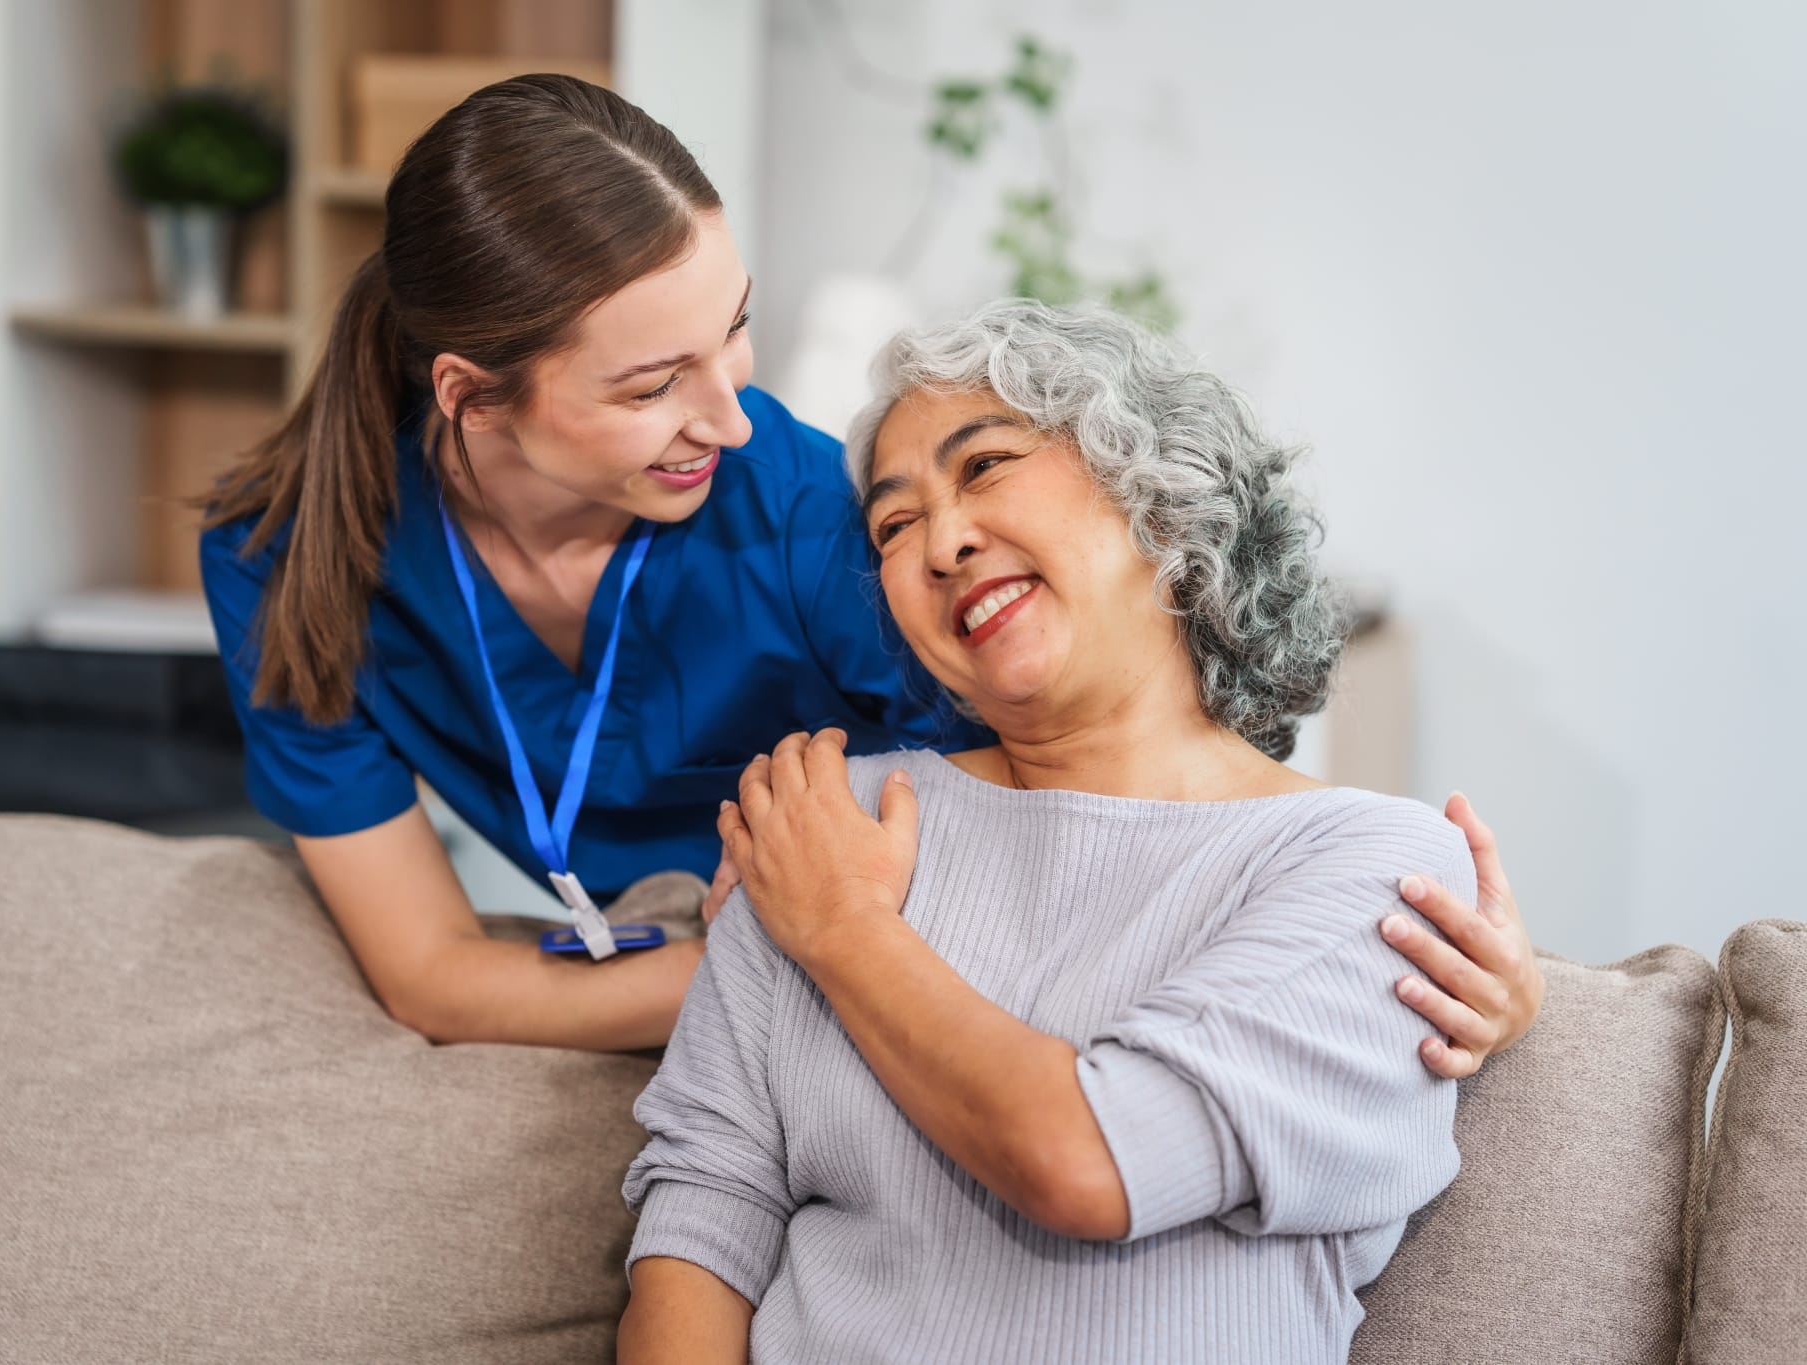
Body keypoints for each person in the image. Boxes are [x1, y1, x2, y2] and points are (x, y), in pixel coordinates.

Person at [200, 75, 1541, 1067]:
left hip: (852, 991)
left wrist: (1380, 950)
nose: (728, 417)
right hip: (766, 980)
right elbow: (433, 980)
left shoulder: (800, 508)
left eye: (732, 335)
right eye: (654, 384)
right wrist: (760, 960)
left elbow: (1115, 806)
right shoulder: (288, 561)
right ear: (474, 399)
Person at [620, 301, 1506, 1364]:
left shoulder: (1364, 861)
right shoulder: (825, 819)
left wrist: (843, 930)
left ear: (1161, 499)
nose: (940, 542)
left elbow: (1087, 1164)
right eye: (892, 526)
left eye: (985, 465)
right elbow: (701, 1222)